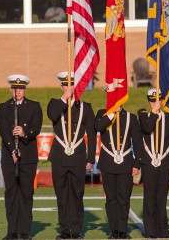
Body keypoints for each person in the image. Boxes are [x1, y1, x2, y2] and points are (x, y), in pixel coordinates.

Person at [47, 72, 96, 239]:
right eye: (65, 85)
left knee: (77, 194)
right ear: (61, 86)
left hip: (78, 157)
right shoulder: (54, 104)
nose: (69, 87)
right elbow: (52, 115)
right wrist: (64, 97)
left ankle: (76, 230)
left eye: (71, 85)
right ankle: (64, 229)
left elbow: (91, 133)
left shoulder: (85, 107)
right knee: (61, 195)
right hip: (59, 157)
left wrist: (91, 159)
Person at [0, 75, 43, 240]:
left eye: (21, 88)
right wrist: (12, 149)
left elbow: (36, 128)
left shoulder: (34, 107)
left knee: (26, 193)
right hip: (10, 157)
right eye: (15, 89)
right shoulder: (3, 107)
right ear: (10, 89)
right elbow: (2, 130)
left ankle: (24, 231)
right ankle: (11, 231)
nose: (18, 91)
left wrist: (24, 133)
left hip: (28, 156)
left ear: (25, 89)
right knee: (11, 193)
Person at [94, 101, 141, 239]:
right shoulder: (102, 113)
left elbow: (137, 142)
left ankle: (122, 230)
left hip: (126, 163)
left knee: (124, 198)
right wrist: (112, 113)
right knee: (111, 199)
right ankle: (113, 230)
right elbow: (98, 127)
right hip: (108, 162)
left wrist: (137, 164)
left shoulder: (130, 117)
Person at [137, 88, 169, 239]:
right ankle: (150, 230)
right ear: (149, 102)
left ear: (162, 101)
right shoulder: (144, 117)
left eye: (158, 100)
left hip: (165, 162)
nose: (155, 103)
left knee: (162, 197)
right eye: (152, 100)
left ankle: (163, 229)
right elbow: (147, 129)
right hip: (148, 163)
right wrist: (154, 112)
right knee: (149, 197)